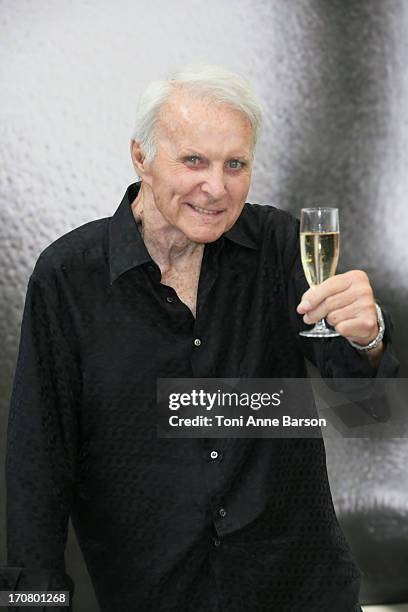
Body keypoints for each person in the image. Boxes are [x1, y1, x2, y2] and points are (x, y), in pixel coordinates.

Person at [1, 65, 399, 612]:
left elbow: (364, 400)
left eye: (235, 164)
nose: (216, 187)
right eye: (194, 161)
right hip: (152, 593)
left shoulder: (280, 244)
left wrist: (367, 336)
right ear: (141, 156)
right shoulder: (68, 276)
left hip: (300, 590)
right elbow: (37, 468)